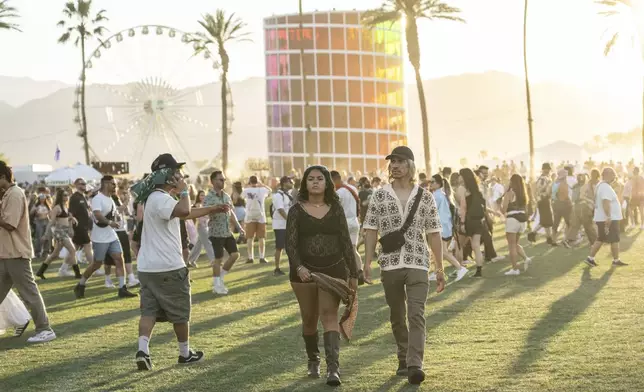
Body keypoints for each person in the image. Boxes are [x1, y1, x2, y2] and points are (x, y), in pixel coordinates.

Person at [131, 153, 226, 370]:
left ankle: (142, 350)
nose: (180, 175)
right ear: (167, 175)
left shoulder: (154, 199)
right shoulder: (161, 198)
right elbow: (184, 210)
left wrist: (212, 209)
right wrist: (184, 189)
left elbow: (185, 213)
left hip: (147, 268)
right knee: (180, 313)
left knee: (149, 312)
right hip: (169, 267)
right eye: (176, 173)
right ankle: (184, 354)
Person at [363, 146, 444, 385]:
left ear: (410, 165)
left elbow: (434, 234)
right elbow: (370, 230)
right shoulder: (379, 195)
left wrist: (439, 269)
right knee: (397, 315)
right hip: (389, 264)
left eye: (399, 161)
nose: (394, 165)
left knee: (416, 314)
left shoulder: (425, 196)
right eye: (392, 162)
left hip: (418, 262)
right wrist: (367, 262)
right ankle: (402, 355)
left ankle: (415, 364)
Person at [286, 165, 358, 387]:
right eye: (311, 179)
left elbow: (346, 242)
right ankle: (313, 359)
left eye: (319, 178)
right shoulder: (296, 210)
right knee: (309, 318)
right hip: (304, 272)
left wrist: (353, 273)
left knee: (329, 315)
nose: (315, 182)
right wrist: (299, 268)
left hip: (334, 270)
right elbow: (291, 245)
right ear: (305, 183)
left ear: (327, 183)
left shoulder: (335, 208)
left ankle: (333, 369)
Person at [0, 160, 56, 343]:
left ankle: (45, 329)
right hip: (6, 253)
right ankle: (34, 324)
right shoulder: (8, 194)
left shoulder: (15, 194)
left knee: (29, 293)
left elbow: (9, 224)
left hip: (16, 253)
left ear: (3, 177)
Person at [74, 176, 137, 299]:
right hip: (100, 237)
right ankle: (81, 284)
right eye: (113, 184)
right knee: (97, 264)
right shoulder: (98, 198)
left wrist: (125, 203)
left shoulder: (110, 199)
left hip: (111, 235)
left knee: (119, 258)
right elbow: (97, 215)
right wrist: (110, 223)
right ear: (106, 184)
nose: (115, 186)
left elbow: (115, 212)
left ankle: (122, 288)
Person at [205, 171, 245, 295]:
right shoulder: (209, 197)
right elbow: (206, 212)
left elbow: (231, 212)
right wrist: (217, 208)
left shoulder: (226, 196)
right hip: (216, 232)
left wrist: (239, 227)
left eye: (224, 179)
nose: (223, 182)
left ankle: (220, 277)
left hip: (227, 231)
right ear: (213, 181)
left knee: (235, 255)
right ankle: (217, 286)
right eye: (220, 180)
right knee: (218, 259)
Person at [585, 168, 628, 268]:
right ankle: (615, 260)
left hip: (602, 218)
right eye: (613, 174)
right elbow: (606, 202)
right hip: (608, 218)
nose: (614, 176)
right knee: (614, 239)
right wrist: (608, 216)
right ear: (606, 175)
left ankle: (590, 258)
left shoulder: (602, 185)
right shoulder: (605, 187)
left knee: (601, 238)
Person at [429, 174, 468, 281]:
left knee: (442, 252)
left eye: (432, 182)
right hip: (446, 227)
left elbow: (430, 211)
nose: (430, 184)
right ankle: (437, 272)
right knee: (439, 252)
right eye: (430, 182)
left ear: (438, 184)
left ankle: (460, 268)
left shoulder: (437, 195)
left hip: (441, 227)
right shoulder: (442, 194)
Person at [35, 188, 81, 279]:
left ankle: (40, 272)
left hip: (65, 231)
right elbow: (51, 222)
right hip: (59, 232)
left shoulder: (66, 206)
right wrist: (45, 234)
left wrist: (72, 220)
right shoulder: (57, 207)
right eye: (64, 195)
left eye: (67, 195)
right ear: (60, 196)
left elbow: (68, 218)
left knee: (55, 254)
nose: (67, 197)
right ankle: (77, 273)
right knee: (72, 250)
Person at [330, 170, 363, 281]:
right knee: (353, 249)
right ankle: (360, 271)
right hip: (354, 221)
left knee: (342, 250)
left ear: (335, 179)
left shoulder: (338, 193)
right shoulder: (352, 188)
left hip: (344, 222)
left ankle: (348, 274)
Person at [501, 174, 532, 275]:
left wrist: (500, 204)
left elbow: (504, 209)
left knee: (511, 246)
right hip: (522, 221)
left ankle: (515, 269)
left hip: (512, 220)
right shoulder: (523, 194)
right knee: (515, 244)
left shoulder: (509, 193)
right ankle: (526, 258)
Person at [458, 168, 486, 277]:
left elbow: (463, 207)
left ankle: (459, 269)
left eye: (460, 175)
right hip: (478, 220)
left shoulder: (462, 189)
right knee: (476, 246)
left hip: (468, 220)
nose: (459, 177)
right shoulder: (477, 189)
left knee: (458, 245)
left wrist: (462, 223)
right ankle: (479, 270)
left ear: (463, 177)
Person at [242, 176, 271, 264]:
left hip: (250, 216)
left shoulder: (246, 190)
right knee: (261, 238)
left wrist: (246, 185)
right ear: (257, 181)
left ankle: (250, 257)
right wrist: (262, 184)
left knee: (250, 238)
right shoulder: (262, 190)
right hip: (260, 216)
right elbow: (270, 191)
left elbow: (241, 196)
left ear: (249, 182)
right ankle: (262, 257)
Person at [68, 178, 94, 271]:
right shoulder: (75, 197)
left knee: (74, 248)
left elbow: (87, 210)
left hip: (85, 226)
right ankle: (93, 268)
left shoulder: (83, 196)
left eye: (84, 184)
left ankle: (63, 268)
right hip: (79, 226)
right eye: (81, 184)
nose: (83, 185)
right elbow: (70, 213)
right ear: (76, 185)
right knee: (88, 245)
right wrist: (71, 228)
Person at [271, 176, 294, 276]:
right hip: (280, 225)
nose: (292, 183)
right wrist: (289, 221)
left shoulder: (287, 194)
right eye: (290, 181)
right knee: (279, 247)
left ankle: (293, 267)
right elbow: (280, 210)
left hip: (287, 225)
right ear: (284, 183)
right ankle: (277, 268)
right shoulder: (278, 196)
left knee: (291, 247)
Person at [528, 163, 555, 245]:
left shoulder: (543, 178)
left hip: (543, 200)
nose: (549, 171)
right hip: (544, 200)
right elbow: (540, 190)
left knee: (547, 221)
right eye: (548, 169)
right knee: (546, 220)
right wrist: (547, 191)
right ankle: (532, 233)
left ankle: (549, 239)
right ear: (545, 169)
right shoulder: (544, 179)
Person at [187, 190, 215, 268]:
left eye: (204, 195)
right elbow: (197, 217)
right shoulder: (197, 205)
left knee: (199, 245)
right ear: (198, 196)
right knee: (207, 243)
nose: (203, 197)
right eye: (201, 195)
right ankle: (213, 260)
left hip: (206, 226)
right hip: (200, 226)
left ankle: (190, 260)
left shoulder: (206, 204)